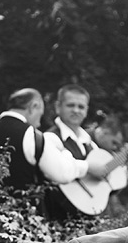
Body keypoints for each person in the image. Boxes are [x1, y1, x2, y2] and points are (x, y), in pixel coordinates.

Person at [0, 88, 89, 205]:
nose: (39, 122)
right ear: (34, 106)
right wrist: (74, 158)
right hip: (20, 220)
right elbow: (63, 174)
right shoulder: (33, 137)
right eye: (40, 113)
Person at [42, 84, 99, 221]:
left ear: (86, 110)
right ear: (58, 107)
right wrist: (89, 167)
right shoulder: (49, 138)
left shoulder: (90, 144)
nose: (76, 110)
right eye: (70, 105)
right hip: (56, 219)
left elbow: (102, 184)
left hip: (87, 218)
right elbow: (58, 170)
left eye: (81, 107)